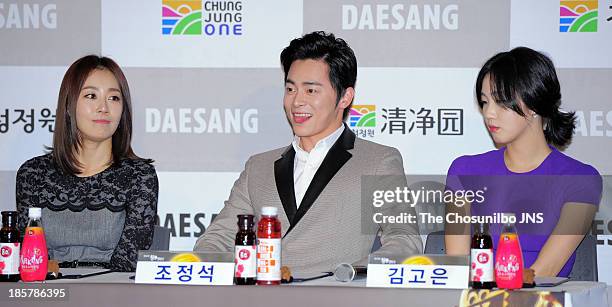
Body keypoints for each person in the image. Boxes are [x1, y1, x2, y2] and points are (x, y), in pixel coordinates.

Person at [195, 31, 422, 276]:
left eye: (311, 91)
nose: (297, 102)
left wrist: (353, 274)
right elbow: (218, 238)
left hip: (336, 295)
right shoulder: (258, 167)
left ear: (345, 97)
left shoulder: (378, 161)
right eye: (291, 89)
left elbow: (404, 241)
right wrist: (202, 266)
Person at [444, 47, 602, 278]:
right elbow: (456, 267)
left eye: (500, 101)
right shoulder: (464, 171)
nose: (489, 113)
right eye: (484, 102)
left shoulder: (582, 179)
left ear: (534, 103)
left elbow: (545, 270)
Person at [15, 55, 158, 272]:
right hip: (48, 294)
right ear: (69, 105)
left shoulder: (139, 176)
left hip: (113, 295)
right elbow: (28, 259)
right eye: (91, 96)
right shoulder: (33, 173)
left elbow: (129, 262)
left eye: (114, 98)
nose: (104, 107)